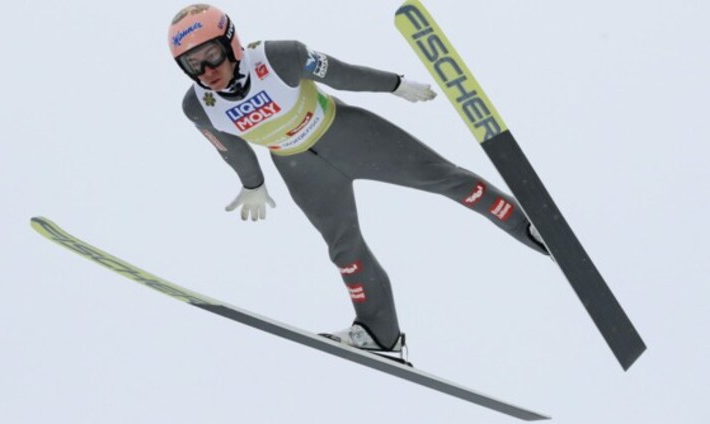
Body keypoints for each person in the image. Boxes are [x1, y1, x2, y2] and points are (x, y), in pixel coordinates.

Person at [169, 4, 548, 362]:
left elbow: (341, 74)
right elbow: (230, 148)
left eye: (212, 55)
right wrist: (251, 183)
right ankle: (379, 333)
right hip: (300, 167)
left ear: (231, 43)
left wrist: (394, 84)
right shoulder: (198, 106)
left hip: (348, 135)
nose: (206, 71)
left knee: (445, 178)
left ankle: (531, 227)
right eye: (192, 64)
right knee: (343, 249)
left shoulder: (277, 56)